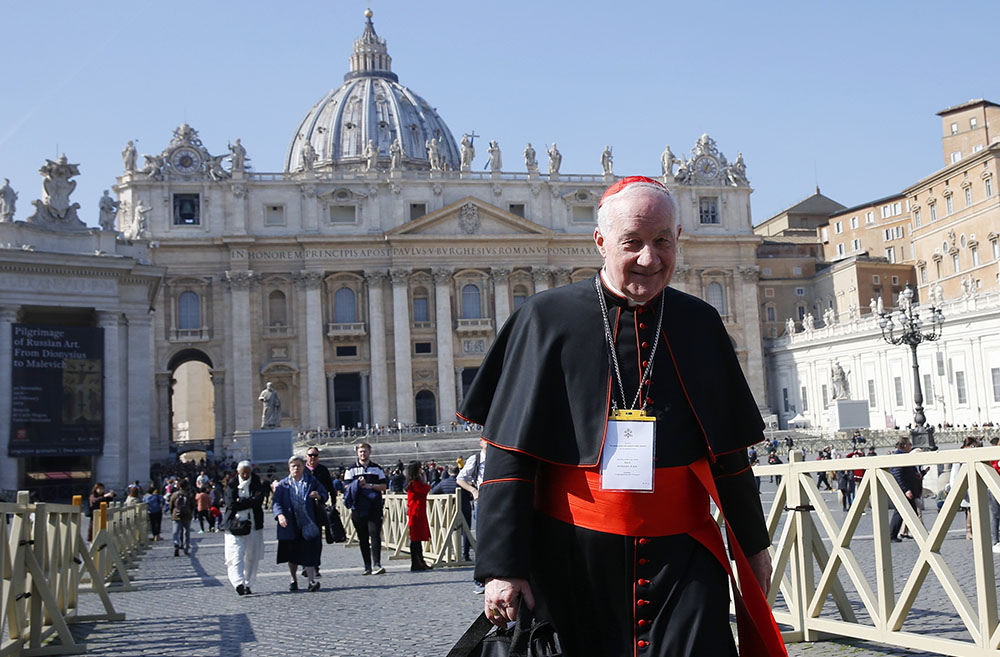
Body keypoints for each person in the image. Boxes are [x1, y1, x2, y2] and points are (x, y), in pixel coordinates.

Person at [459, 176, 783, 655]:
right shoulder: (545, 319)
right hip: (572, 552)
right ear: (601, 242)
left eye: (662, 242)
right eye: (632, 243)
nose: (650, 259)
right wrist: (502, 567)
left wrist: (753, 552)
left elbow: (730, 456)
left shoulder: (700, 322)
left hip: (685, 556)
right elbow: (510, 455)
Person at [272, 455, 328, 592]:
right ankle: (293, 579)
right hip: (290, 523)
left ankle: (311, 581)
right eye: (293, 466)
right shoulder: (283, 485)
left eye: (298, 465)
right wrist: (279, 515)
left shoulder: (311, 481)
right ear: (289, 468)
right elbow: (276, 502)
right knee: (292, 554)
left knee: (309, 552)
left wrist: (319, 495)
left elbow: (324, 493)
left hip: (308, 522)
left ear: (303, 467)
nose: (296, 468)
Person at [343, 443, 388, 575]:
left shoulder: (377, 469)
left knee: (375, 535)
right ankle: (367, 565)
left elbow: (384, 486)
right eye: (361, 452)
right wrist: (357, 484)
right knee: (362, 537)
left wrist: (371, 485)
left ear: (370, 452)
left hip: (374, 507)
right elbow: (345, 488)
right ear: (357, 453)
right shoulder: (350, 470)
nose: (363, 454)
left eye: (365, 451)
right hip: (357, 507)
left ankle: (377, 563)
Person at [223, 461, 266, 596]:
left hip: (253, 524)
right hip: (234, 526)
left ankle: (248, 583)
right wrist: (250, 501)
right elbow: (231, 504)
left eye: (248, 472)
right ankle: (238, 583)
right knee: (235, 555)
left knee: (252, 556)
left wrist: (241, 502)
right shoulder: (231, 484)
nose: (246, 475)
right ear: (238, 472)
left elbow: (258, 501)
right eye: (243, 473)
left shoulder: (256, 482)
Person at [457, 438, 487, 592]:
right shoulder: (475, 459)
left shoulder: (501, 456)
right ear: (481, 443)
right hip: (482, 501)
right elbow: (460, 479)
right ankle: (480, 579)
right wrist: (474, 491)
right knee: (482, 540)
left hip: (500, 499)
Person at [304, 447, 334, 577]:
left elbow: (330, 488)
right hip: (303, 509)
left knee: (317, 539)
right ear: (306, 456)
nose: (312, 457)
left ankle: (315, 565)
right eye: (310, 455)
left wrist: (333, 504)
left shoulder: (323, 470)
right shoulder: (302, 470)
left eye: (315, 455)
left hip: (318, 508)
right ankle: (306, 565)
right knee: (304, 538)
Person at [888, 438, 921, 543]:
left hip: (906, 489)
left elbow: (909, 473)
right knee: (908, 512)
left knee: (904, 512)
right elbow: (897, 475)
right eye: (910, 444)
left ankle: (893, 534)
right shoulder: (900, 456)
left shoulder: (903, 455)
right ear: (905, 446)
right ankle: (919, 535)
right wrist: (906, 489)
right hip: (903, 490)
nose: (911, 446)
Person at [405, 460, 433, 571]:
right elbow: (425, 489)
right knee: (415, 538)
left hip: (418, 510)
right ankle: (416, 562)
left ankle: (420, 561)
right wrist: (425, 481)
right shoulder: (415, 482)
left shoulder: (413, 481)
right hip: (416, 511)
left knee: (417, 538)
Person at [169, 479, 195, 556]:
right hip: (187, 515)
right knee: (186, 532)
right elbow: (193, 505)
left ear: (179, 486)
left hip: (176, 515)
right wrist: (191, 513)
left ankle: (176, 543)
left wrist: (172, 513)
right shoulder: (189, 494)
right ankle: (186, 548)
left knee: (175, 532)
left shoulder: (174, 494)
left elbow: (171, 505)